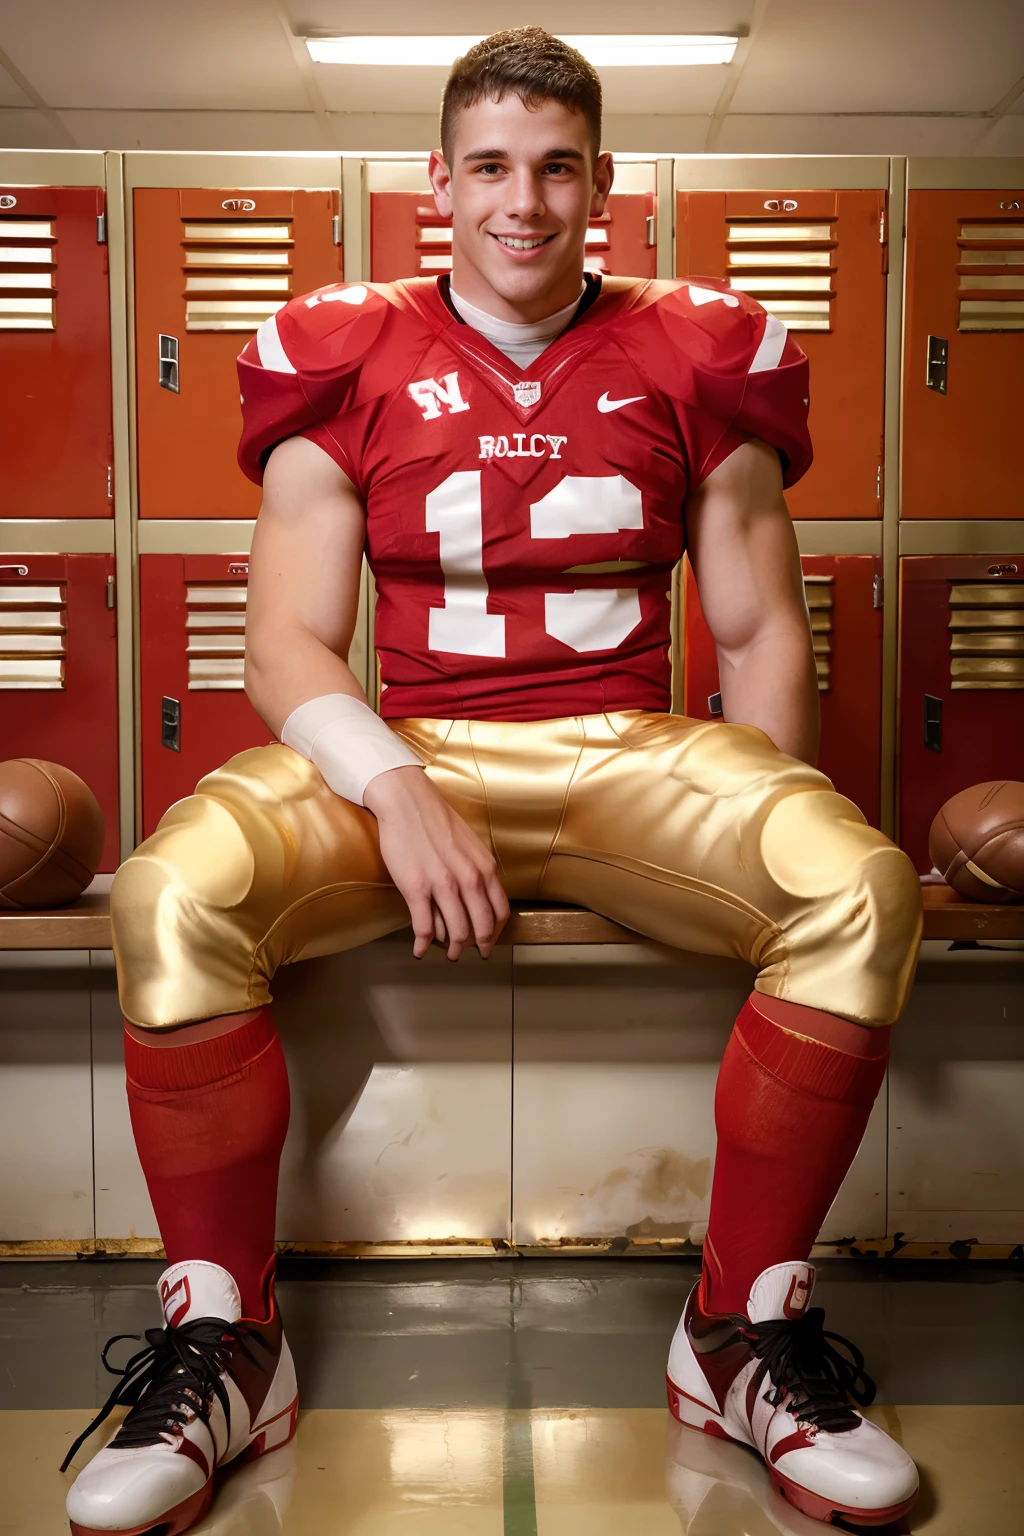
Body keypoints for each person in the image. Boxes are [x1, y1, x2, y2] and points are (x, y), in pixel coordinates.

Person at [63, 28, 922, 1536]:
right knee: (173, 887)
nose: (522, 201)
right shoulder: (347, 349)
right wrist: (393, 782)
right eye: (490, 167)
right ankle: (228, 1343)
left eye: (557, 168)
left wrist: (753, 839)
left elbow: (757, 626)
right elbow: (284, 645)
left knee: (854, 886)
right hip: (421, 749)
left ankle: (737, 1330)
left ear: (604, 186)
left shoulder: (695, 348)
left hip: (629, 757)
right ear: (435, 186)